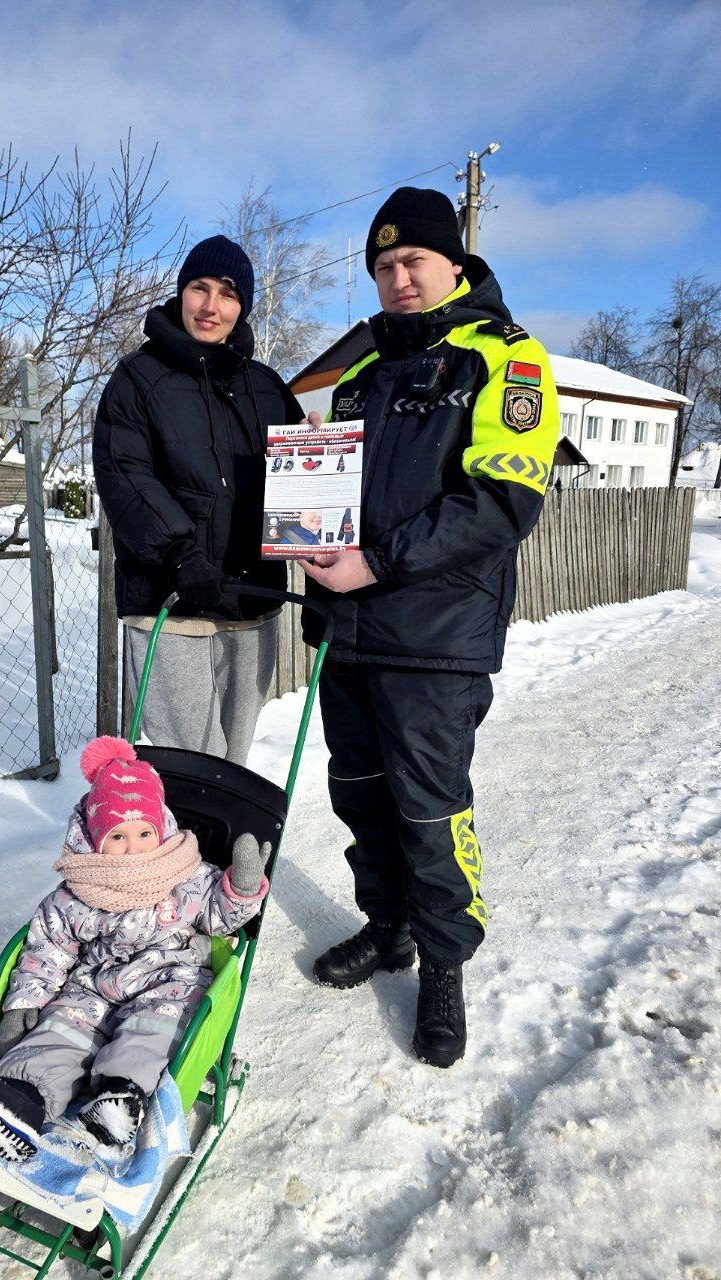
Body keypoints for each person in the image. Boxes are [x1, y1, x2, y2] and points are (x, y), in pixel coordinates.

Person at [300, 188, 560, 1069]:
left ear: (454, 262)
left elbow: (501, 501)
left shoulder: (506, 359)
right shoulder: (363, 375)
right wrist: (308, 495)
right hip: (350, 629)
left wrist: (376, 563)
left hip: (435, 638)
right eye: (382, 267)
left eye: (412, 260)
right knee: (360, 796)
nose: (397, 278)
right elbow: (332, 500)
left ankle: (444, 967)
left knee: (429, 808)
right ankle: (388, 928)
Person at [0, 736, 270, 1162]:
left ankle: (118, 1101)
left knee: (151, 1035)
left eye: (144, 833)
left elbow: (218, 917)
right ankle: (18, 1101)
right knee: (60, 1031)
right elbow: (49, 950)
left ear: (161, 829)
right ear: (95, 838)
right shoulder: (78, 890)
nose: (133, 847)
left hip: (169, 983)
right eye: (118, 836)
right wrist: (24, 1002)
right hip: (93, 987)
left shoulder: (186, 874)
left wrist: (242, 889)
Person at [93, 236, 304, 765]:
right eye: (199, 289)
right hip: (171, 598)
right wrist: (180, 554)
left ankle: (232, 826)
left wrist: (315, 448)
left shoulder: (266, 387)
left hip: (250, 599)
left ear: (243, 307)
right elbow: (125, 474)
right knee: (188, 758)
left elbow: (296, 482)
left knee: (233, 756)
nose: (211, 306)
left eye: (228, 295)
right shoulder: (138, 379)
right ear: (180, 293)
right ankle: (185, 826)